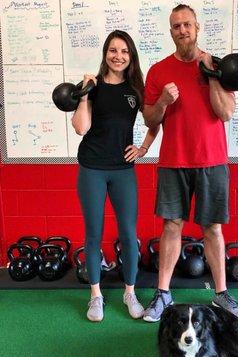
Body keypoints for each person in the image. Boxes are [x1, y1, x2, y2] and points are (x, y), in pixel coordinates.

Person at [141, 4, 238, 322]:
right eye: (176, 26)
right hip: (174, 161)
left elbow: (226, 113)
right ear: (171, 32)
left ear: (197, 27)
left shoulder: (217, 65)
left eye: (187, 24)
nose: (182, 30)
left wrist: (211, 75)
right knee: (171, 225)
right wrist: (162, 101)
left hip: (212, 161)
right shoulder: (158, 71)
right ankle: (162, 294)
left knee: (212, 227)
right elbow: (149, 118)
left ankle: (221, 294)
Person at [71, 30, 157, 322]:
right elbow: (81, 128)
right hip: (92, 167)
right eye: (112, 50)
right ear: (105, 54)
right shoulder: (92, 87)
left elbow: (154, 120)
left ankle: (129, 292)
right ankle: (95, 296)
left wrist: (144, 147)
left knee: (129, 235)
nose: (118, 56)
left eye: (124, 51)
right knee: (93, 235)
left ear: (131, 56)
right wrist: (84, 93)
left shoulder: (136, 90)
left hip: (122, 170)